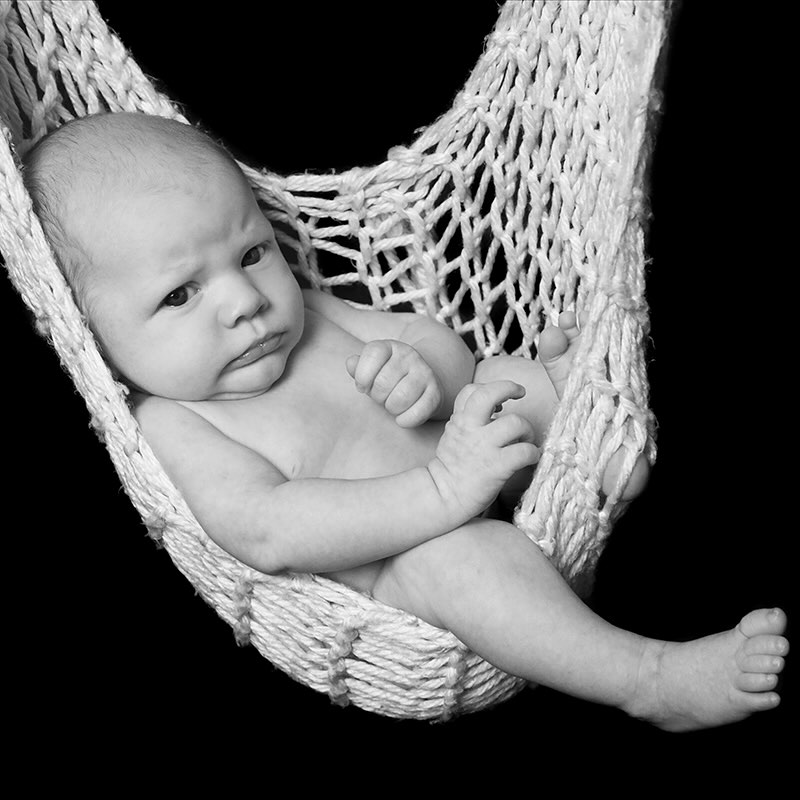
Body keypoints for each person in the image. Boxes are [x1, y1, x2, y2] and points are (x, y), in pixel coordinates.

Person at [22, 111, 788, 732]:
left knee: (510, 381)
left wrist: (423, 371)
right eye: (180, 294)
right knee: (468, 560)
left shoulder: (309, 312)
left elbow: (436, 345)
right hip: (406, 561)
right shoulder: (171, 423)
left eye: (251, 253)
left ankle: (594, 451)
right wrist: (442, 489)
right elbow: (264, 528)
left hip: (472, 461)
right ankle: (648, 679)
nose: (244, 301)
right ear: (92, 338)